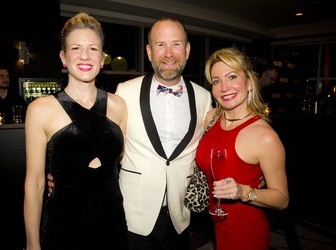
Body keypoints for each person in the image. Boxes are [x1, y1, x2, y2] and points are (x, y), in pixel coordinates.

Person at [23, 13, 129, 250]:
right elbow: (35, 182)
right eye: (75, 48)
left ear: (102, 58)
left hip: (111, 223)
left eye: (93, 48)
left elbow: (116, 162)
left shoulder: (119, 106)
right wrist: (32, 244)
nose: (84, 55)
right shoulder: (40, 109)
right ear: (63, 57)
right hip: (63, 225)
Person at [114, 17, 212, 249]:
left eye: (176, 44)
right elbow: (107, 145)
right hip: (134, 214)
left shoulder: (204, 97)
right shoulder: (124, 92)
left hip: (180, 214)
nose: (169, 53)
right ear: (149, 52)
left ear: (187, 50)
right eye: (160, 45)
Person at [196, 47, 289, 250]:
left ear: (249, 82)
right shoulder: (211, 118)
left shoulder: (264, 136)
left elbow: (282, 199)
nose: (224, 87)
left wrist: (243, 191)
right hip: (216, 223)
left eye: (232, 77)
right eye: (216, 81)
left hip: (246, 229)